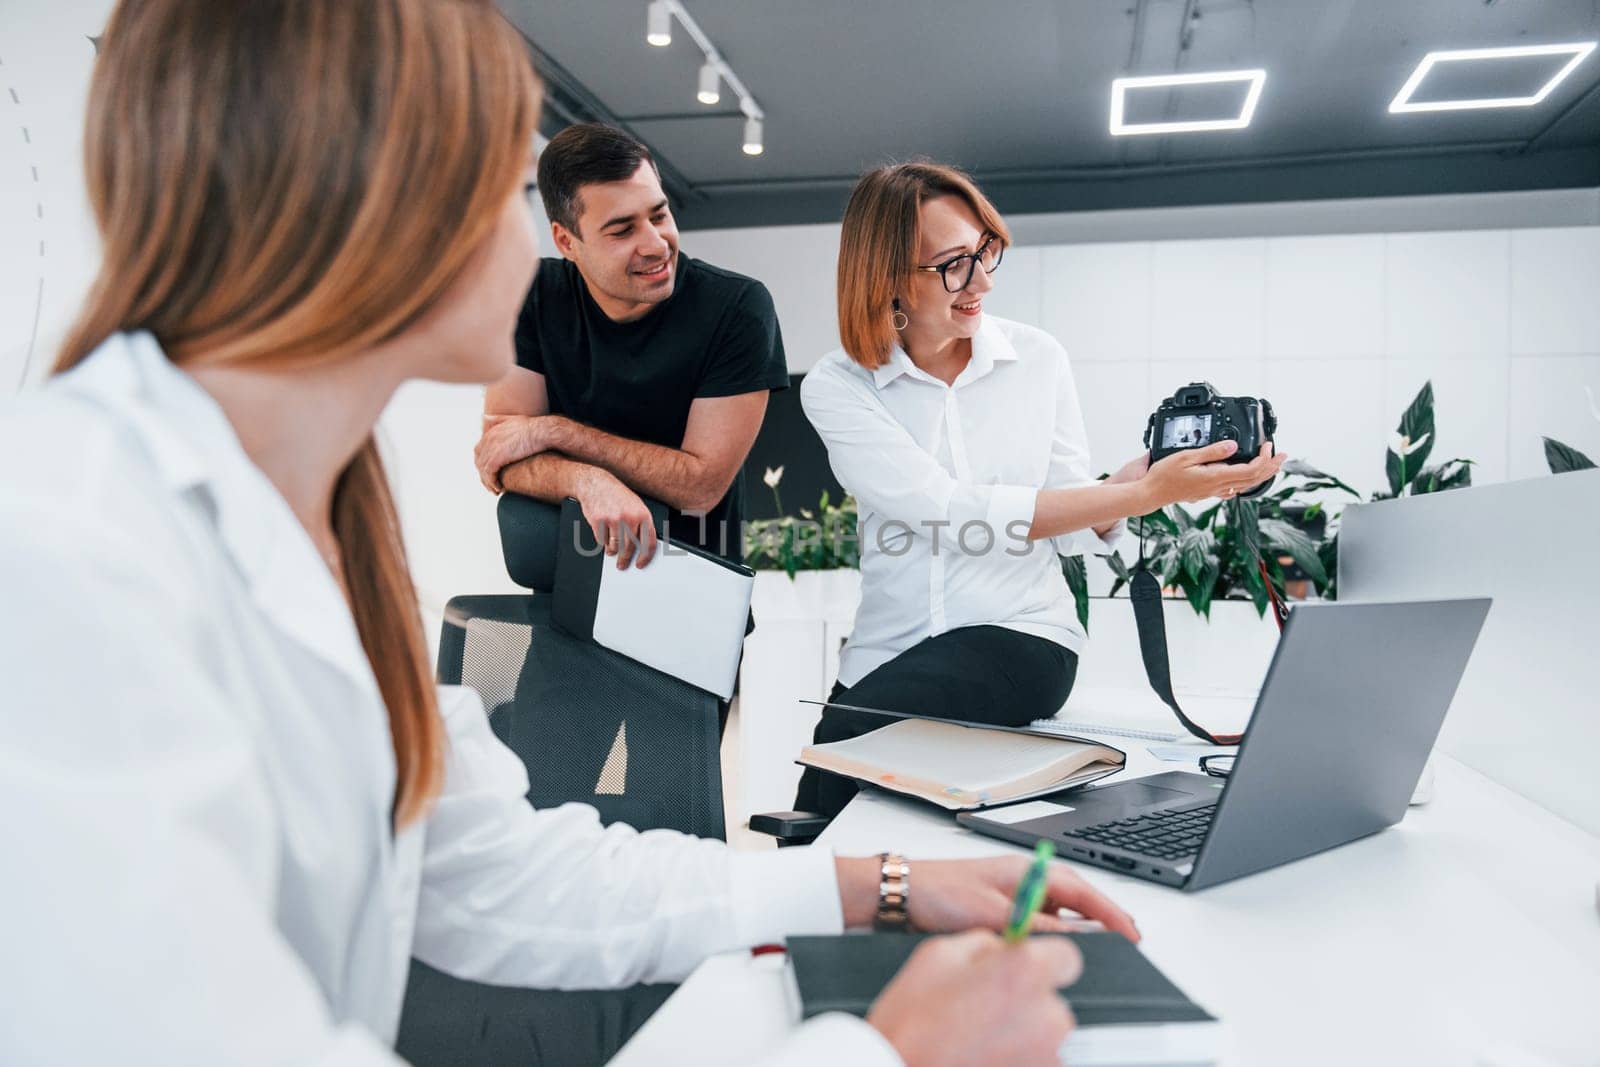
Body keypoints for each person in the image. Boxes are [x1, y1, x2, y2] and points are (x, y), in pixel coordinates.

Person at [0, 5, 1139, 1066]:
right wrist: (883, 1050)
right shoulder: (67, 556)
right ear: (371, 200)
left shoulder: (312, 521)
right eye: (500, 181)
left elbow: (500, 873)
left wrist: (879, 884)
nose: (531, 244)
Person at [794, 162, 1286, 819]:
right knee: (824, 776)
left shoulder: (1039, 359)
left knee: (842, 739)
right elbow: (943, 511)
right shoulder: (837, 385)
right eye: (953, 265)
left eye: (985, 253)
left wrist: (1153, 479)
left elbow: (1071, 516)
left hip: (1027, 638)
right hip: (887, 656)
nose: (983, 282)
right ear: (886, 278)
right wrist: (1139, 495)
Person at [473, 122, 788, 569]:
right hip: (560, 585)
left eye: (659, 215)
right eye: (622, 231)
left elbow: (701, 487)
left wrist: (554, 432)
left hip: (694, 590)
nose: (656, 244)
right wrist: (586, 481)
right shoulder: (529, 294)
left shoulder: (736, 308)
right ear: (566, 241)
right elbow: (502, 456)